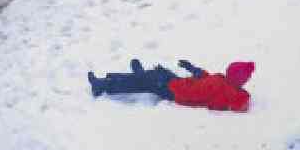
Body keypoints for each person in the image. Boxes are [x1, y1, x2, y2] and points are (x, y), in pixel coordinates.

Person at [88, 58, 255, 112]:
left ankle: (102, 85)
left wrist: (173, 84)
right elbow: (207, 78)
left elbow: (198, 94)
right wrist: (192, 68)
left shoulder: (227, 91)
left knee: (150, 79)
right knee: (156, 75)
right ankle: (142, 75)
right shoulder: (223, 81)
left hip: (176, 91)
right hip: (179, 85)